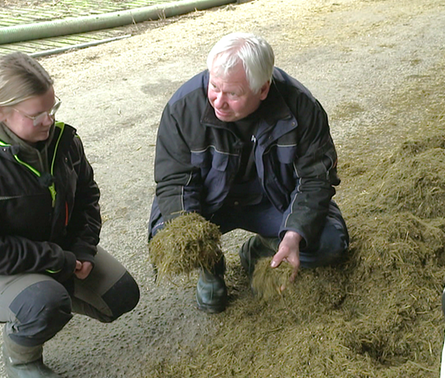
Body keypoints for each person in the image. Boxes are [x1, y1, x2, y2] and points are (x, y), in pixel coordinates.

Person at [0, 52, 140, 378]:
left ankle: (46, 298)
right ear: (0, 112)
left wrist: (82, 249)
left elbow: (87, 196)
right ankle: (22, 358)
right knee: (45, 303)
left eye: (52, 108)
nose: (49, 121)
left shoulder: (62, 141)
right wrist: (61, 262)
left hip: (53, 250)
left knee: (121, 296)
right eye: (37, 115)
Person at [149, 32, 349, 314]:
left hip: (272, 200)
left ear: (263, 89)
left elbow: (316, 179)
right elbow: (175, 179)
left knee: (330, 242)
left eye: (233, 94)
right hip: (210, 203)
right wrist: (192, 239)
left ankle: (261, 248)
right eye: (214, 86)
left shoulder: (301, 106)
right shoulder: (182, 108)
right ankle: (210, 266)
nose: (218, 101)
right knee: (169, 236)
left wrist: (294, 235)